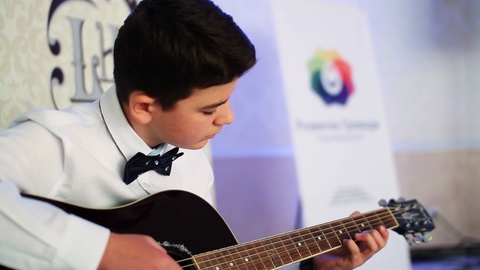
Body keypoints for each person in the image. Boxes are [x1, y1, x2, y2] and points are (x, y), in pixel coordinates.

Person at [0, 0, 388, 269]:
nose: (229, 118)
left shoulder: (193, 163)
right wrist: (102, 251)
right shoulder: (56, 142)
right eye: (209, 109)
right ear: (144, 107)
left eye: (228, 100)